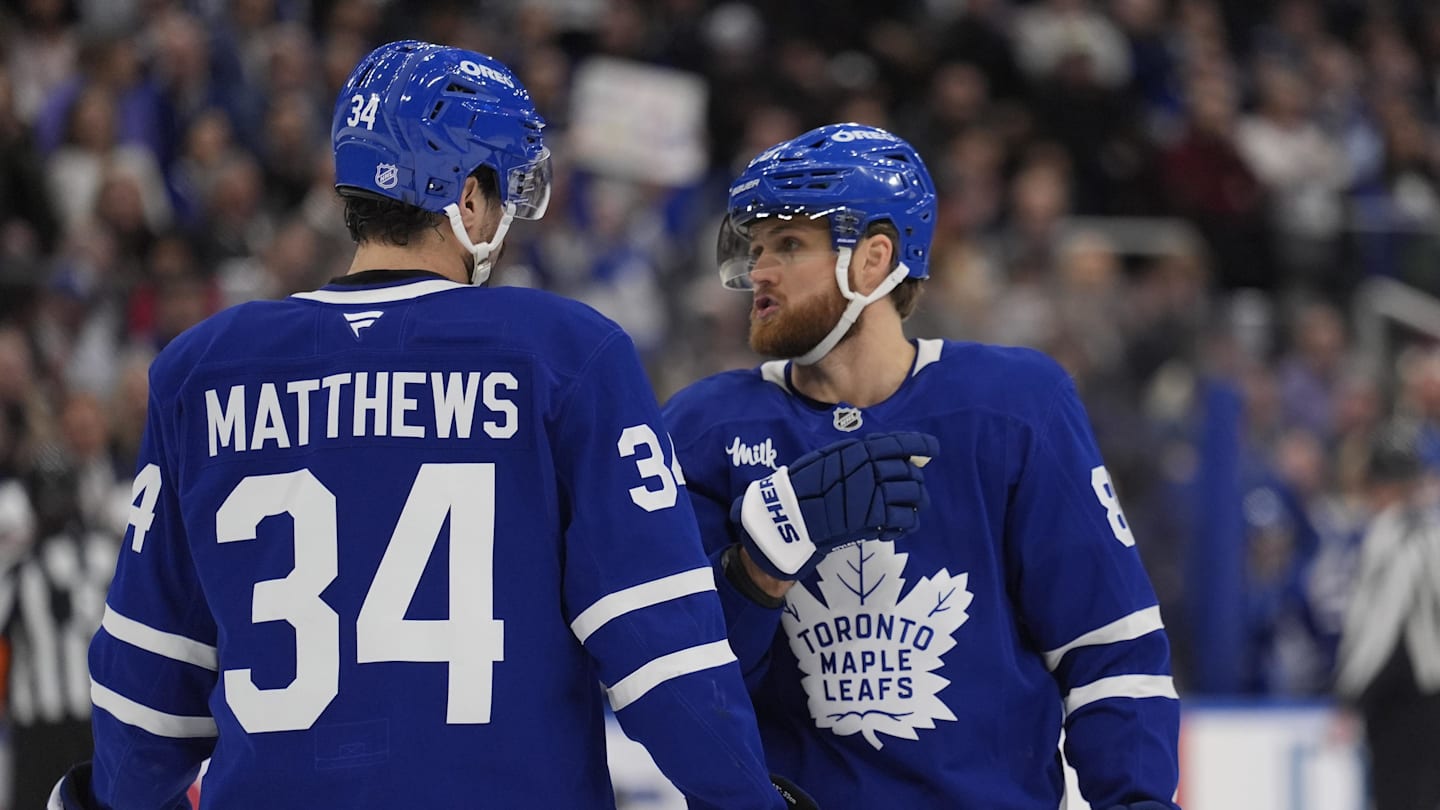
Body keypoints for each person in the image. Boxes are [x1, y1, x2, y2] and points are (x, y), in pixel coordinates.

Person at [46, 40, 815, 810]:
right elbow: (663, 654)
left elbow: (146, 701)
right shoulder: (565, 354)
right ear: (468, 198)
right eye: (505, 194)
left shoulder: (201, 368)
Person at [662, 123, 1182, 809]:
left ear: (873, 259)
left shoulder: (1013, 407)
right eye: (756, 249)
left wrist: (1138, 800)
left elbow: (1109, 646)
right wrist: (756, 569)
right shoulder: (704, 428)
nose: (759, 271)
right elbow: (678, 689)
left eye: (788, 245)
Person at [1335, 419, 1440, 810]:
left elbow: (1382, 626)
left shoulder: (1392, 536)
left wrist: (1350, 695)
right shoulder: (1433, 530)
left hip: (1403, 700)